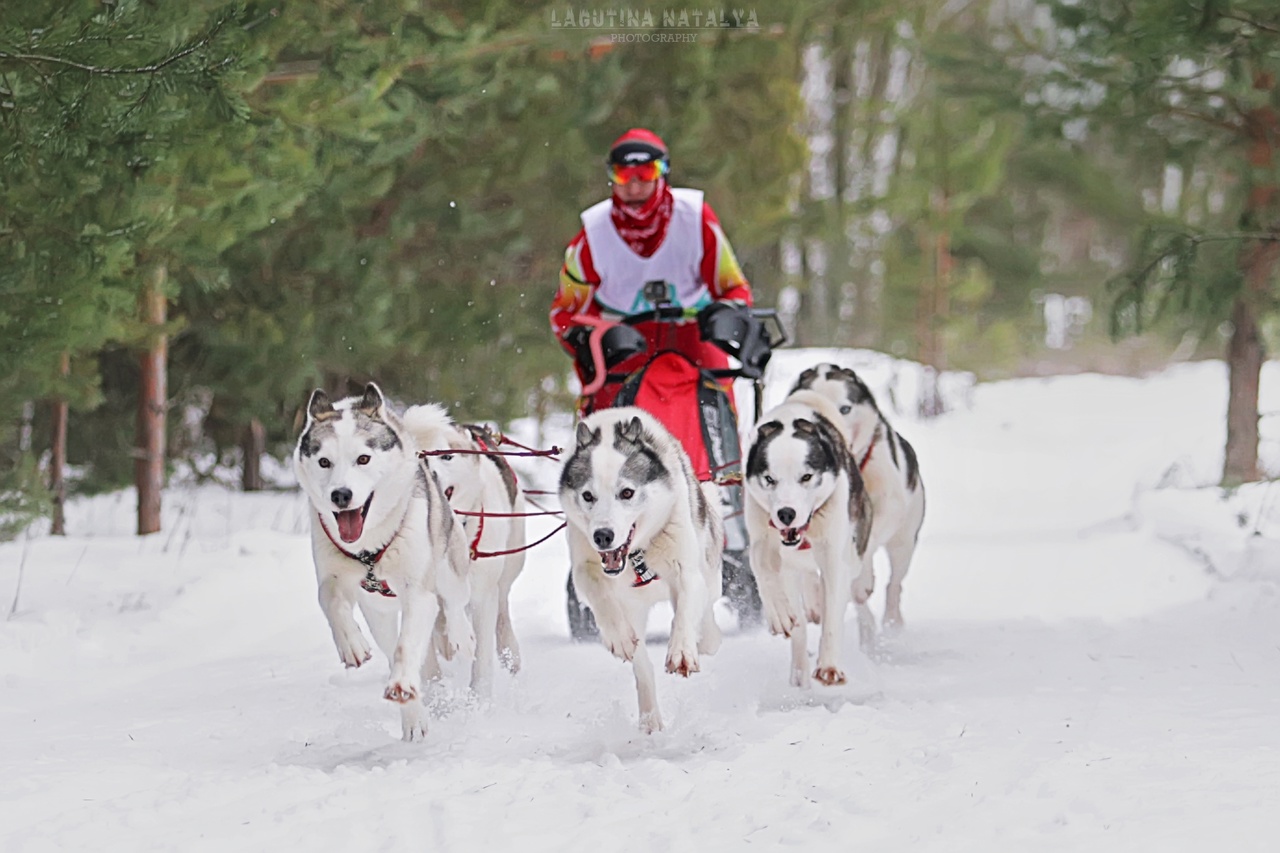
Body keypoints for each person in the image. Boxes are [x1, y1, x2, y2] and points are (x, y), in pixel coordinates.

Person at [549, 128, 755, 416]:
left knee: (718, 408)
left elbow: (734, 288)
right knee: (605, 416)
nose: (633, 188)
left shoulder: (696, 219)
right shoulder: (592, 236)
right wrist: (592, 338)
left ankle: (723, 461)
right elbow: (566, 313)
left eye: (644, 174)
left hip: (693, 334)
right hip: (625, 342)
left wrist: (725, 314)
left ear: (662, 174)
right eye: (623, 175)